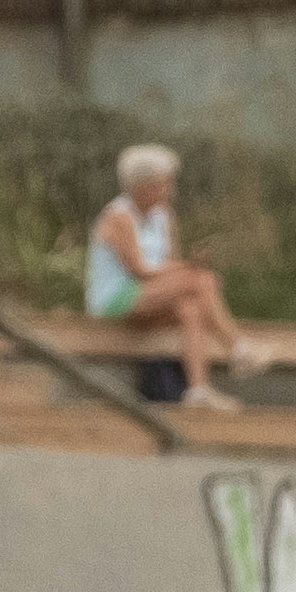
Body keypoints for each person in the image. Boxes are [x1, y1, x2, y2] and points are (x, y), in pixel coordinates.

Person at [81, 144, 246, 402]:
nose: (169, 191)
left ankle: (198, 389)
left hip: (150, 296)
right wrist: (187, 270)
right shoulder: (118, 217)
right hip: (115, 297)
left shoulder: (164, 216)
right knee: (202, 280)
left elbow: (168, 263)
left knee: (190, 308)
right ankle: (238, 347)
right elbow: (139, 270)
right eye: (163, 184)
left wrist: (187, 267)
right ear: (142, 186)